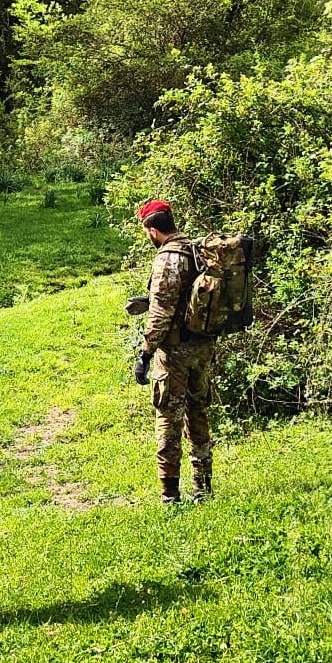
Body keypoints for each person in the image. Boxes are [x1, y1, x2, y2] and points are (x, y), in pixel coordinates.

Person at [132, 201, 216, 504]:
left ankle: (169, 494)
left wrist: (145, 352)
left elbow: (162, 313)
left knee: (168, 417)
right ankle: (203, 488)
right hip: (203, 347)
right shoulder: (197, 250)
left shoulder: (167, 259)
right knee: (198, 413)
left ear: (153, 230)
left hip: (176, 351)